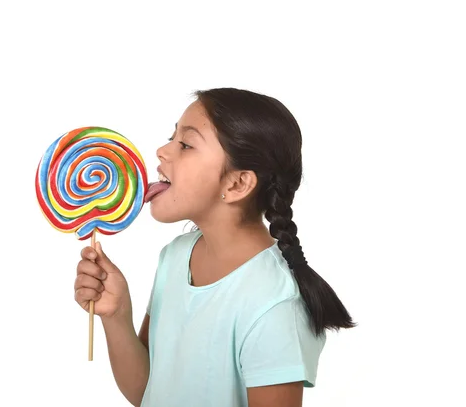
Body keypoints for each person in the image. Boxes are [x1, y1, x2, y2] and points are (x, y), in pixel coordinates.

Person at [73, 87, 355, 407]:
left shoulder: (274, 305)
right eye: (172, 136)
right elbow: (147, 392)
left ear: (237, 184)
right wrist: (117, 316)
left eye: (185, 144)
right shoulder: (176, 257)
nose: (162, 151)